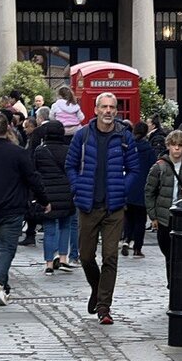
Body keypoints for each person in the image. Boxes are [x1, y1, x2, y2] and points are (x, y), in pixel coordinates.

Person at [66, 94, 138, 325]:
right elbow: (70, 165)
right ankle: (97, 290)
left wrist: (122, 190)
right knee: (86, 257)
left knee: (110, 257)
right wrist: (78, 187)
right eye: (104, 107)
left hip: (114, 207)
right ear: (95, 110)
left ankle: (104, 307)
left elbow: (135, 169)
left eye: (112, 107)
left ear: (116, 111)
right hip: (88, 205)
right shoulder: (82, 136)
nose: (108, 111)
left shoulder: (125, 137)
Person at [0, 111, 50, 306]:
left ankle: (2, 287)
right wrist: (44, 200)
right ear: (8, 129)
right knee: (7, 248)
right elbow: (33, 178)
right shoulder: (18, 153)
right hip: (13, 208)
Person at [145, 130, 182, 283]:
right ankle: (172, 281)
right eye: (174, 145)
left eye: (180, 146)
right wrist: (152, 216)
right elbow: (149, 191)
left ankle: (178, 282)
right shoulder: (159, 167)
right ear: (168, 145)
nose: (177, 149)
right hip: (164, 216)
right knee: (168, 251)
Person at [33, 119, 76, 274]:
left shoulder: (40, 150)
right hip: (66, 193)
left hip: (47, 194)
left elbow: (35, 172)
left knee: (49, 229)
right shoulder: (68, 150)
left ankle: (49, 264)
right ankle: (63, 258)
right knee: (65, 226)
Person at [122, 121, 156, 259]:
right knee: (140, 220)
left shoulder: (129, 147)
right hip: (143, 187)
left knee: (128, 218)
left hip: (129, 185)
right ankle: (137, 248)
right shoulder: (149, 149)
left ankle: (125, 240)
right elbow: (153, 169)